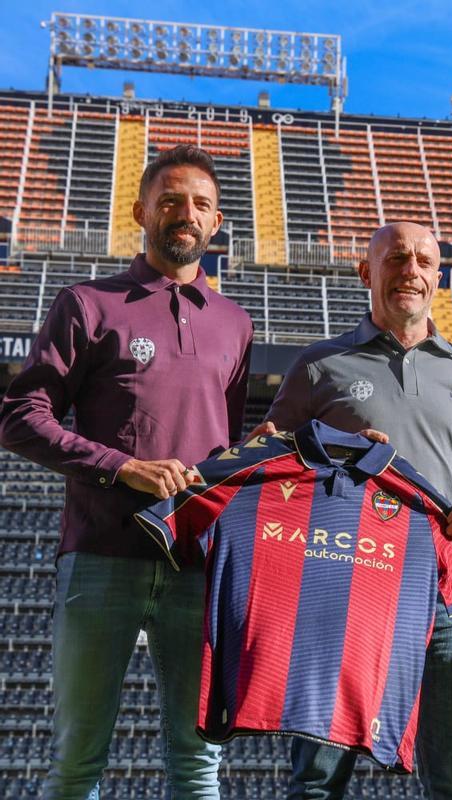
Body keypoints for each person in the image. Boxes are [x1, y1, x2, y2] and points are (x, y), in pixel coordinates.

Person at [0, 144, 252, 798]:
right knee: (78, 763)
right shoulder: (88, 304)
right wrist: (122, 467)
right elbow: (20, 416)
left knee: (197, 766)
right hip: (101, 556)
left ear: (217, 220)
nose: (183, 213)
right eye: (169, 199)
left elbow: (224, 445)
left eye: (199, 203)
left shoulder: (235, 324)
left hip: (197, 564)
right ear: (140, 209)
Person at [259, 221, 452, 800]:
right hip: (343, 590)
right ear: (366, 272)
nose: (412, 271)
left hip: (446, 595)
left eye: (426, 261)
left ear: (439, 276)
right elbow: (268, 465)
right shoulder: (320, 365)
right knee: (318, 780)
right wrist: (322, 448)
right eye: (397, 259)